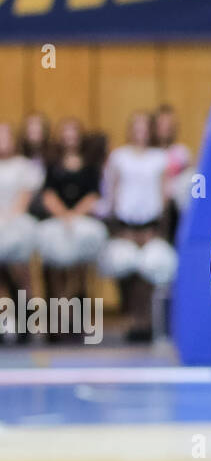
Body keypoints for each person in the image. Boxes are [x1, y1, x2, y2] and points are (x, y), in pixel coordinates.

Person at [99, 111, 178, 342]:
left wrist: (158, 231)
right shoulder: (119, 157)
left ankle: (144, 319)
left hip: (150, 228)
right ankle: (131, 315)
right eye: (137, 127)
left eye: (145, 128)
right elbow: (111, 195)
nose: (141, 132)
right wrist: (117, 229)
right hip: (125, 227)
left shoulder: (159, 158)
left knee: (152, 264)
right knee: (124, 262)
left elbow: (165, 198)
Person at [34, 118, 108, 315]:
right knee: (56, 260)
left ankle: (79, 307)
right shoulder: (52, 164)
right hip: (58, 219)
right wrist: (64, 215)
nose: (70, 137)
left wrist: (75, 215)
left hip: (82, 218)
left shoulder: (90, 165)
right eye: (66, 132)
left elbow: (93, 194)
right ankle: (58, 312)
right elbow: (48, 193)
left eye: (73, 132)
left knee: (80, 261)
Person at [0, 122, 42, 340]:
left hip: (17, 221)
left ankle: (26, 319)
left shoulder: (24, 166)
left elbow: (25, 198)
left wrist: (9, 218)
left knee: (20, 269)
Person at [154, 104, 193, 243]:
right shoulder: (151, 153)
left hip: (176, 205)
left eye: (170, 124)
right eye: (162, 124)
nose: (166, 128)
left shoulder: (181, 152)